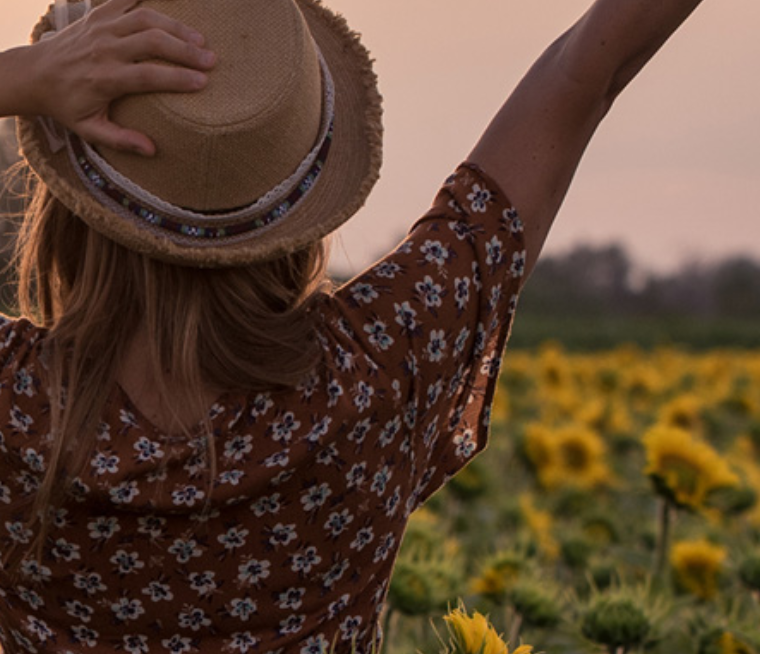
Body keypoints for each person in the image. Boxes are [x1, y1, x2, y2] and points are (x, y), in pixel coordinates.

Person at [0, 0, 704, 652]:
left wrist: (24, 78)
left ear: (68, 207)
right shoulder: (376, 366)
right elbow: (583, 77)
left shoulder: (17, 410)